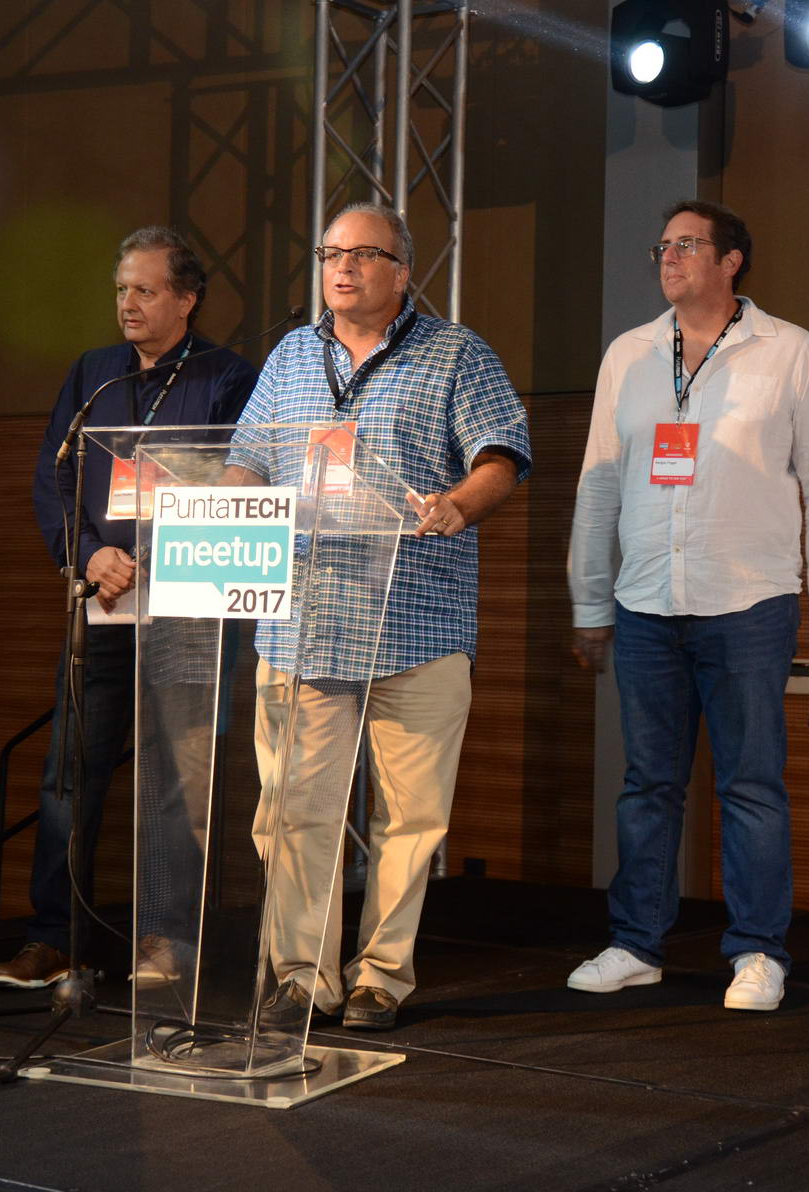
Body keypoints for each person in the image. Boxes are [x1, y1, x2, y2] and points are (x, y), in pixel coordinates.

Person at [223, 202, 530, 1030]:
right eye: (330, 253)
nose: (343, 268)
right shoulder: (290, 355)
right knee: (292, 810)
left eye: (363, 254)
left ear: (404, 271)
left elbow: (502, 452)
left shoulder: (456, 352)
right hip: (304, 619)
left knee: (411, 818)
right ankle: (303, 978)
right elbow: (248, 457)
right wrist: (220, 507)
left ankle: (379, 979)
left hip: (416, 620)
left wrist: (459, 506)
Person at [566, 199, 809, 1012]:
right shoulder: (628, 354)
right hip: (647, 602)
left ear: (734, 261)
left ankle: (759, 951)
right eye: (662, 245)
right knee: (647, 783)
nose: (670, 257)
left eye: (689, 244)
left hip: (748, 599)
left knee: (752, 784)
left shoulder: (788, 349)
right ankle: (636, 944)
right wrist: (591, 600)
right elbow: (598, 484)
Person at [0, 227, 259, 989]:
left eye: (143, 290)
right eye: (120, 290)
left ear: (187, 298)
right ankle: (53, 937)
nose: (127, 304)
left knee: (179, 778)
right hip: (102, 598)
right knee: (70, 773)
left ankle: (169, 939)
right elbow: (55, 474)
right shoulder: (94, 376)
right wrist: (87, 555)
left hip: (187, 605)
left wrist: (158, 557)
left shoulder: (230, 377)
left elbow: (242, 482)